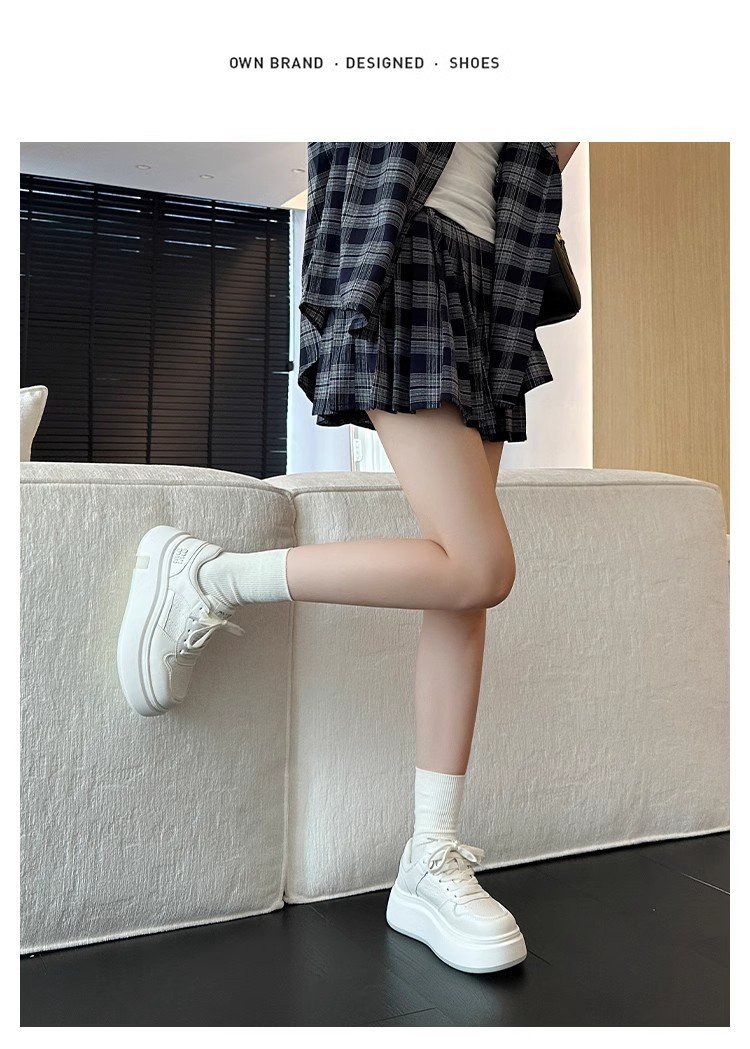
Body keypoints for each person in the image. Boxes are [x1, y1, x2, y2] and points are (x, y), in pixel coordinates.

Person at [116, 141, 580, 975]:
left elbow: (548, 147)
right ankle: (211, 576)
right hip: (404, 246)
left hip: (495, 274)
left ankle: (430, 853)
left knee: (461, 584)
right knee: (482, 565)